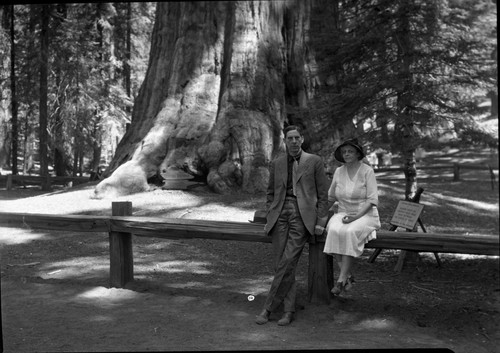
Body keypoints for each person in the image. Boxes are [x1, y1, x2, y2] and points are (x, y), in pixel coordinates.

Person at [255, 125, 329, 326]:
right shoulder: (277, 163)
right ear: (285, 141)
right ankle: (288, 310)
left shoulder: (314, 161)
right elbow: (270, 193)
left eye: (297, 138)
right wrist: (271, 212)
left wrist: (321, 222)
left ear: (302, 139)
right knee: (282, 263)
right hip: (280, 214)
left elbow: (323, 195)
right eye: (290, 138)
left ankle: (268, 308)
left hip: (301, 215)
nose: (294, 141)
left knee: (288, 261)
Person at [323, 138, 381, 295]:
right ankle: (347, 276)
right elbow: (331, 197)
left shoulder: (367, 171)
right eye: (344, 152)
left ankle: (341, 280)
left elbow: (372, 200)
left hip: (365, 214)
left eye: (350, 151)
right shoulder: (338, 171)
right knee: (333, 229)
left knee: (349, 232)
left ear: (358, 154)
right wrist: (319, 215)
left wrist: (355, 218)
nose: (347, 154)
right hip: (343, 212)